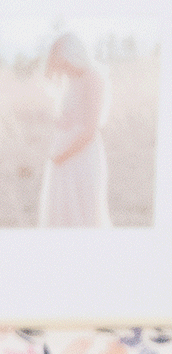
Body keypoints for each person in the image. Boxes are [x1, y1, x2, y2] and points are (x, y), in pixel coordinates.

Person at [41, 30, 111, 228]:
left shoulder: (94, 77)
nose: (61, 68)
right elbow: (70, 116)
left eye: (61, 61)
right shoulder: (71, 79)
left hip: (81, 156)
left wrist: (62, 156)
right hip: (63, 156)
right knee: (61, 214)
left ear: (72, 56)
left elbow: (90, 131)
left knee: (84, 214)